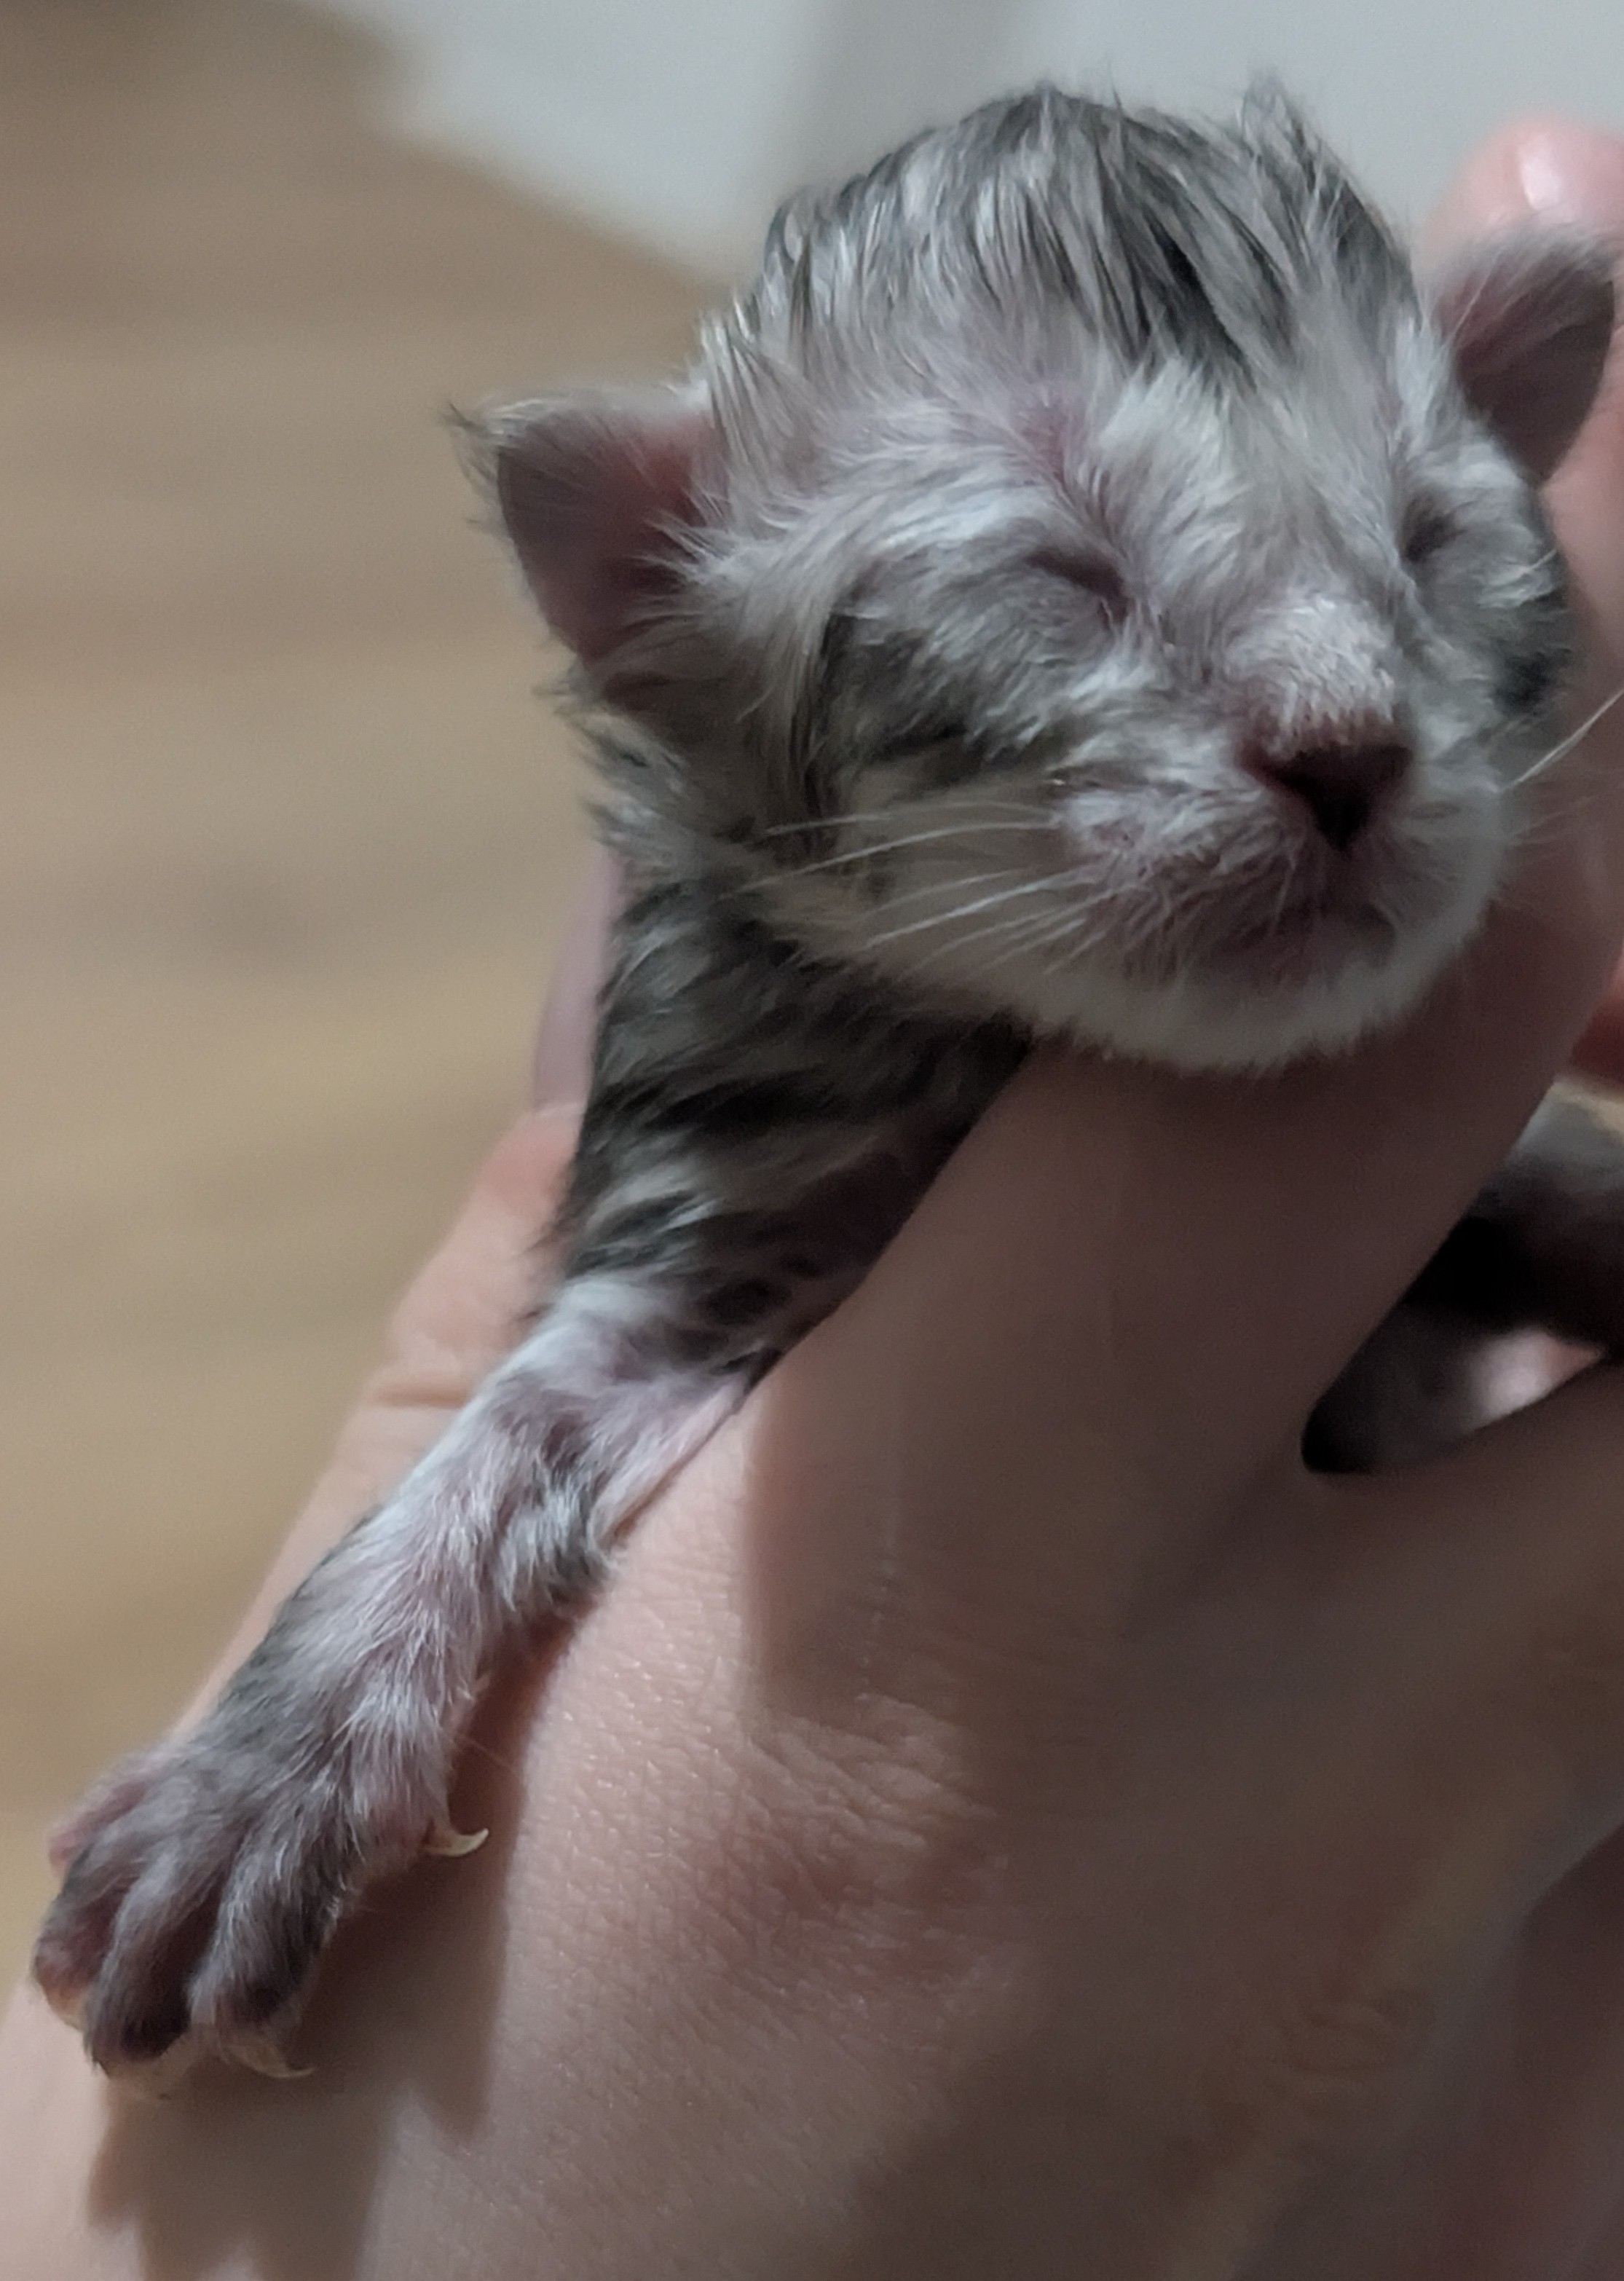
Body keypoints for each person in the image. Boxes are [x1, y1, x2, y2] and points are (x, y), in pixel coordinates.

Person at [7, 114, 1624, 2281]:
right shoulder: (750, 1014)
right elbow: (622, 1356)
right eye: (1050, 576)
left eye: (1431, 545)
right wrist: (322, 1716)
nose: (1348, 708)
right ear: (656, 601)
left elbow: (1501, 1209)